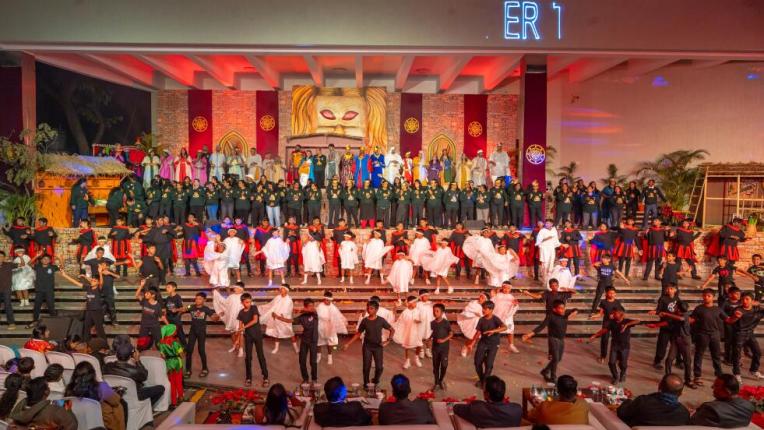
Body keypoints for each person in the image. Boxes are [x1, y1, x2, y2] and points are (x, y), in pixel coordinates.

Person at [343, 300, 396, 387]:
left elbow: (392, 330)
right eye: (368, 308)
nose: (369, 310)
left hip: (378, 346)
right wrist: (348, 344)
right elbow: (358, 334)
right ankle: (366, 384)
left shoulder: (381, 320)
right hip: (367, 346)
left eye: (371, 308)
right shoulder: (364, 321)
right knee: (366, 367)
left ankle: (375, 380)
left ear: (376, 309)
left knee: (379, 367)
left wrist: (388, 340)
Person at [523, 300, 578, 382]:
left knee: (558, 359)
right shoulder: (550, 316)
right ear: (554, 309)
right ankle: (553, 377)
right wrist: (529, 334)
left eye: (563, 308)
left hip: (561, 340)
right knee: (555, 358)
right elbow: (541, 326)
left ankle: (545, 371)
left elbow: (575, 309)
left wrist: (575, 312)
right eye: (560, 308)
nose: (563, 310)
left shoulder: (565, 314)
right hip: (553, 339)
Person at [66, 361, 127, 430]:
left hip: (77, 423)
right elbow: (116, 401)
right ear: (92, 374)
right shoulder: (101, 386)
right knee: (118, 406)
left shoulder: (69, 389)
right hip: (99, 425)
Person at [616, 374, 690, 426]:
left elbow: (622, 413)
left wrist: (627, 401)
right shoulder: (684, 414)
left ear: (659, 386)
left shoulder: (643, 402)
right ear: (681, 393)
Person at [589, 309, 640, 384]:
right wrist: (595, 335)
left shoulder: (626, 321)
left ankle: (623, 373)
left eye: (615, 314)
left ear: (620, 315)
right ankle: (615, 377)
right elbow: (604, 330)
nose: (613, 315)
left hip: (624, 346)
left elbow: (638, 321)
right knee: (611, 362)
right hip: (615, 346)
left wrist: (626, 325)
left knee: (623, 363)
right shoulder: (612, 322)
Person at [465, 300, 507, 388]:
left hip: (493, 344)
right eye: (482, 308)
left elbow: (504, 327)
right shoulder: (481, 320)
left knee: (489, 364)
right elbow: (478, 333)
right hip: (483, 342)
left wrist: (494, 331)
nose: (483, 310)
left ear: (491, 310)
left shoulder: (495, 319)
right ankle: (482, 380)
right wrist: (472, 344)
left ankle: (485, 382)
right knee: (477, 362)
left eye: (485, 309)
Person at [11, 377, 78, 430]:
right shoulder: (56, 412)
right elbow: (72, 424)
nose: (49, 388)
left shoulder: (19, 407)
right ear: (46, 392)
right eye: (48, 386)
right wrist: (68, 409)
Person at [725, 292, 764, 382]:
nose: (744, 301)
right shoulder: (738, 310)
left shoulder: (757, 309)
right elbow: (730, 321)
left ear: (752, 301)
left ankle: (754, 370)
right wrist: (735, 317)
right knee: (737, 355)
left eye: (747, 299)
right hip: (739, 334)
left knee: (757, 352)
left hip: (750, 333)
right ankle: (736, 373)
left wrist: (759, 304)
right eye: (743, 299)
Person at [690, 374, 755, 428]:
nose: (712, 387)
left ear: (727, 391)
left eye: (716, 386)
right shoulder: (749, 406)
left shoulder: (710, 409)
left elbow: (692, 421)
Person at [691, 288, 726, 385]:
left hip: (715, 335)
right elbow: (692, 320)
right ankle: (697, 376)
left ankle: (719, 375)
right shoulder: (699, 308)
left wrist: (736, 317)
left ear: (713, 297)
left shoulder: (718, 309)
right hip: (702, 334)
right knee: (699, 355)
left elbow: (728, 319)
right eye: (704, 296)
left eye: (708, 296)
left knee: (716, 356)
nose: (706, 297)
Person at [237, 292, 269, 387]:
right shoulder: (241, 313)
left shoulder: (254, 308)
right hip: (248, 337)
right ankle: (248, 378)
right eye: (246, 302)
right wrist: (238, 339)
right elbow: (240, 328)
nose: (249, 304)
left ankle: (265, 377)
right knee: (248, 358)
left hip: (257, 336)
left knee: (260, 356)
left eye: (250, 302)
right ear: (242, 302)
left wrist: (244, 327)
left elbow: (255, 320)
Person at [184, 292, 219, 377]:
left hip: (201, 332)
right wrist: (178, 310)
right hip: (192, 331)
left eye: (199, 299)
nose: (197, 300)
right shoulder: (191, 306)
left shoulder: (206, 309)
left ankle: (205, 369)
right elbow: (184, 309)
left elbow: (214, 319)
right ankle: (188, 370)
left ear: (204, 300)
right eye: (196, 299)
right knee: (189, 350)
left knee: (201, 350)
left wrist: (217, 316)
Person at [260, 283, 298, 354]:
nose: (281, 290)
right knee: (276, 333)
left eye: (282, 289)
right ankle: (276, 348)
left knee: (290, 333)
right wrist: (271, 312)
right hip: (275, 317)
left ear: (286, 290)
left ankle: (296, 347)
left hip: (284, 319)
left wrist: (278, 316)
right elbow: (272, 305)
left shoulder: (289, 300)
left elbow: (287, 310)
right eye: (280, 289)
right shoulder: (277, 297)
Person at [316, 291, 347, 365]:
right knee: (319, 342)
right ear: (324, 299)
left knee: (330, 342)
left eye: (329, 300)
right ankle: (318, 356)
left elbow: (338, 316)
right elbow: (318, 315)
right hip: (321, 326)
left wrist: (343, 321)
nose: (327, 302)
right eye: (326, 300)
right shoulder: (320, 306)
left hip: (330, 327)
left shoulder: (333, 307)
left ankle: (330, 356)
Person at [392, 296, 423, 369]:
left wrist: (419, 321)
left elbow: (422, 319)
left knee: (419, 345)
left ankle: (416, 358)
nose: (416, 304)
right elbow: (400, 322)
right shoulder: (405, 312)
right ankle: (407, 361)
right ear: (410, 303)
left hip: (417, 331)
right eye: (415, 302)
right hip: (408, 331)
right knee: (407, 346)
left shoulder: (418, 311)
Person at [158, 324, 184, 407]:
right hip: (177, 363)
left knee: (172, 383)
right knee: (178, 381)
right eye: (175, 330)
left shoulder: (161, 343)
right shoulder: (175, 343)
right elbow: (181, 354)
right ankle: (181, 397)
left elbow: (162, 356)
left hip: (169, 364)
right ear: (171, 332)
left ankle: (174, 402)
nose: (176, 332)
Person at [429, 303, 452, 391]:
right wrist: (429, 338)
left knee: (444, 365)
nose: (435, 313)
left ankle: (441, 380)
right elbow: (433, 332)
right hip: (435, 348)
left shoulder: (446, 323)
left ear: (442, 312)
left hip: (444, 348)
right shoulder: (432, 323)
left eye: (437, 311)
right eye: (434, 311)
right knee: (435, 366)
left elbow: (451, 334)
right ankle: (436, 383)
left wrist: (443, 340)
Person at [0, 251, 16, 329]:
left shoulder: (9, 264)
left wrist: (20, 257)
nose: (0, 258)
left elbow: (22, 265)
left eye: (1, 256)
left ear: (4, 258)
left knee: (7, 305)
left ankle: (11, 323)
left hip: (6, 289)